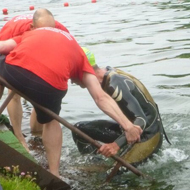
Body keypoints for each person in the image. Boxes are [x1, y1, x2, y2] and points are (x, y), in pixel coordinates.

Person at [0, 11, 142, 178]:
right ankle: (54, 174)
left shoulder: (31, 32)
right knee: (51, 121)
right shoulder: (79, 54)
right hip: (50, 86)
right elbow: (100, 97)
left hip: (16, 72)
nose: (75, 83)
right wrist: (128, 126)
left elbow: (2, 47)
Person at [72, 47, 170, 167]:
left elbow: (141, 120)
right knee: (79, 130)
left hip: (147, 135)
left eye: (72, 75)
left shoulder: (114, 83)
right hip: (129, 130)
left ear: (82, 72)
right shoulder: (106, 74)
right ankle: (94, 167)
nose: (72, 81)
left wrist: (115, 145)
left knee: (116, 176)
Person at [0, 9, 70, 152]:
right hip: (12, 44)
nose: (46, 36)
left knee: (44, 89)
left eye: (50, 31)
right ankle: (19, 136)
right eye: (42, 32)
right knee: (14, 90)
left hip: (40, 49)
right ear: (32, 28)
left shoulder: (62, 31)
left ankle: (36, 135)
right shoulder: (14, 34)